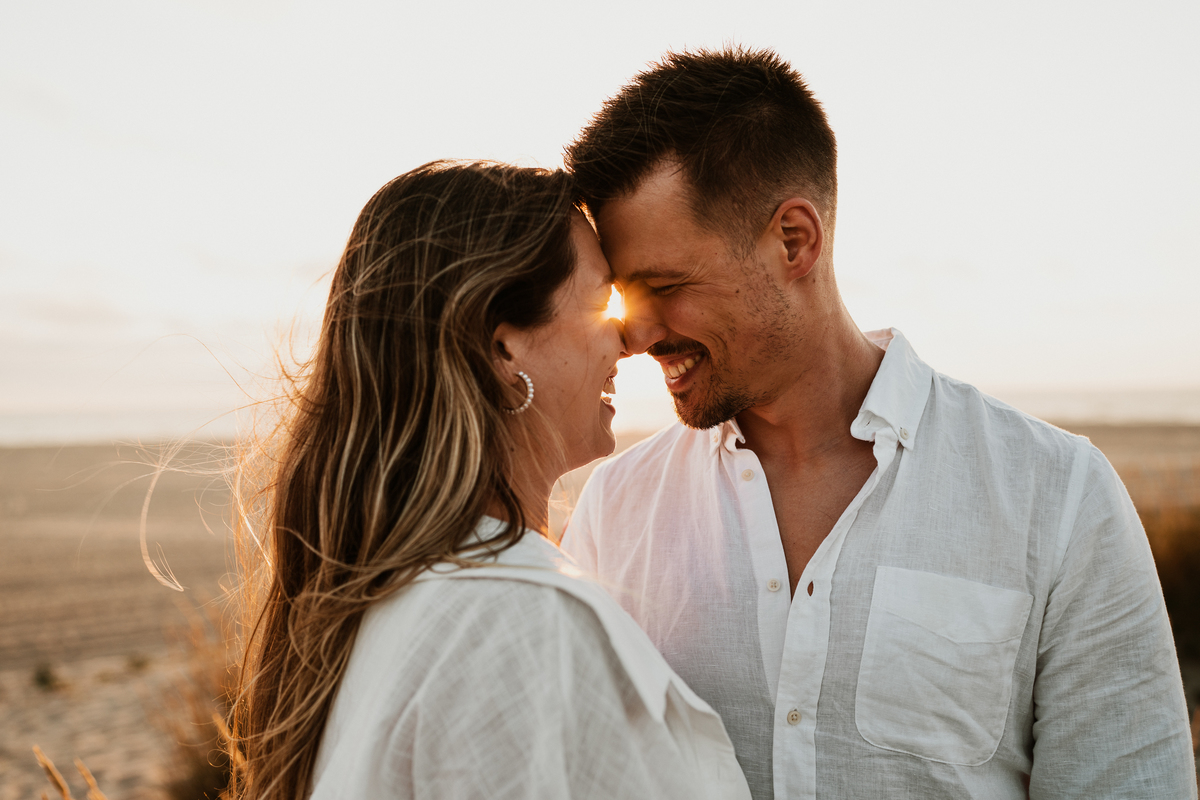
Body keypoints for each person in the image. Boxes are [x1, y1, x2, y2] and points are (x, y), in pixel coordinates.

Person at [560, 48, 1196, 799]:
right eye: (625, 300)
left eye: (665, 287)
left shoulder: (1058, 496)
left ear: (795, 241)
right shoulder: (613, 511)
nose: (635, 336)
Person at [230, 161, 751, 800]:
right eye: (597, 303)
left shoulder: (387, 597)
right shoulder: (521, 625)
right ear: (504, 351)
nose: (627, 341)